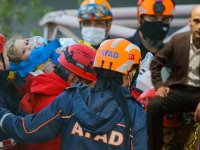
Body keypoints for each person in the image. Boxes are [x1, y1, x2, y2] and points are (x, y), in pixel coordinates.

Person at [0, 38, 147, 150]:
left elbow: (28, 130)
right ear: (129, 75)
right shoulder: (135, 113)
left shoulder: (71, 97)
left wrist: (2, 115)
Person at [18, 43, 97, 150]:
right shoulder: (63, 108)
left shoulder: (41, 86)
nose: (93, 89)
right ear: (73, 79)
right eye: (90, 83)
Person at [148, 5, 200, 150]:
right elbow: (156, 64)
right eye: (196, 21)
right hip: (178, 91)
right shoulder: (177, 41)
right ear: (190, 22)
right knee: (154, 106)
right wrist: (159, 86)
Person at [127, 0, 175, 91]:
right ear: (140, 19)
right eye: (152, 18)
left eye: (164, 19)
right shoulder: (124, 49)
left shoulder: (173, 55)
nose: (158, 23)